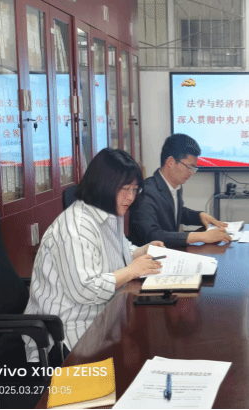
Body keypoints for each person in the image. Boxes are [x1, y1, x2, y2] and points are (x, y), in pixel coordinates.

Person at [24, 149, 165, 362]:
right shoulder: (76, 226)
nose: (130, 197)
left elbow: (117, 252)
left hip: (102, 317)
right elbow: (86, 289)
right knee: (139, 357)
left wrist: (140, 251)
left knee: (148, 345)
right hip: (68, 333)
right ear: (104, 185)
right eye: (125, 189)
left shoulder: (110, 213)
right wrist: (131, 271)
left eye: (135, 189)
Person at [129, 134, 230, 247]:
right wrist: (201, 236)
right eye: (189, 167)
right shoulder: (146, 192)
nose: (191, 172)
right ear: (170, 162)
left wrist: (200, 216)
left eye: (194, 168)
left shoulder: (175, 185)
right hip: (148, 255)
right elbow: (152, 235)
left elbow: (176, 212)